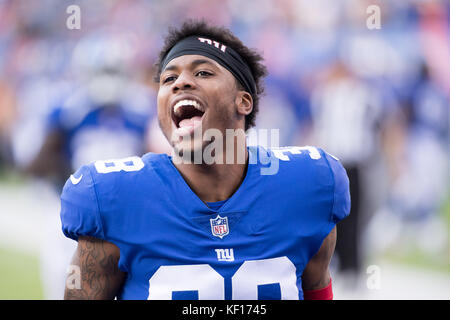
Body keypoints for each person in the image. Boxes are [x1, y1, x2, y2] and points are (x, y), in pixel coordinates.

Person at [61, 20, 350, 300]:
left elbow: (317, 288)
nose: (181, 82)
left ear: (243, 101)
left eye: (202, 73)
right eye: (169, 78)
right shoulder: (114, 199)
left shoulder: (308, 186)